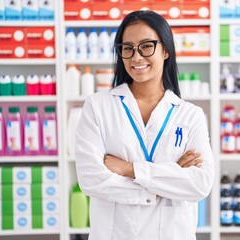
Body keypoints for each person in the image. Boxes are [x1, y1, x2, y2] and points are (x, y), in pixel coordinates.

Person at [75, 10, 215, 240]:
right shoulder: (98, 106)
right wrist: (169, 178)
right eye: (127, 48)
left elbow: (199, 185)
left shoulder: (191, 115)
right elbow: (91, 179)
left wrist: (129, 169)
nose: (136, 57)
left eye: (146, 46)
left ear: (166, 50)